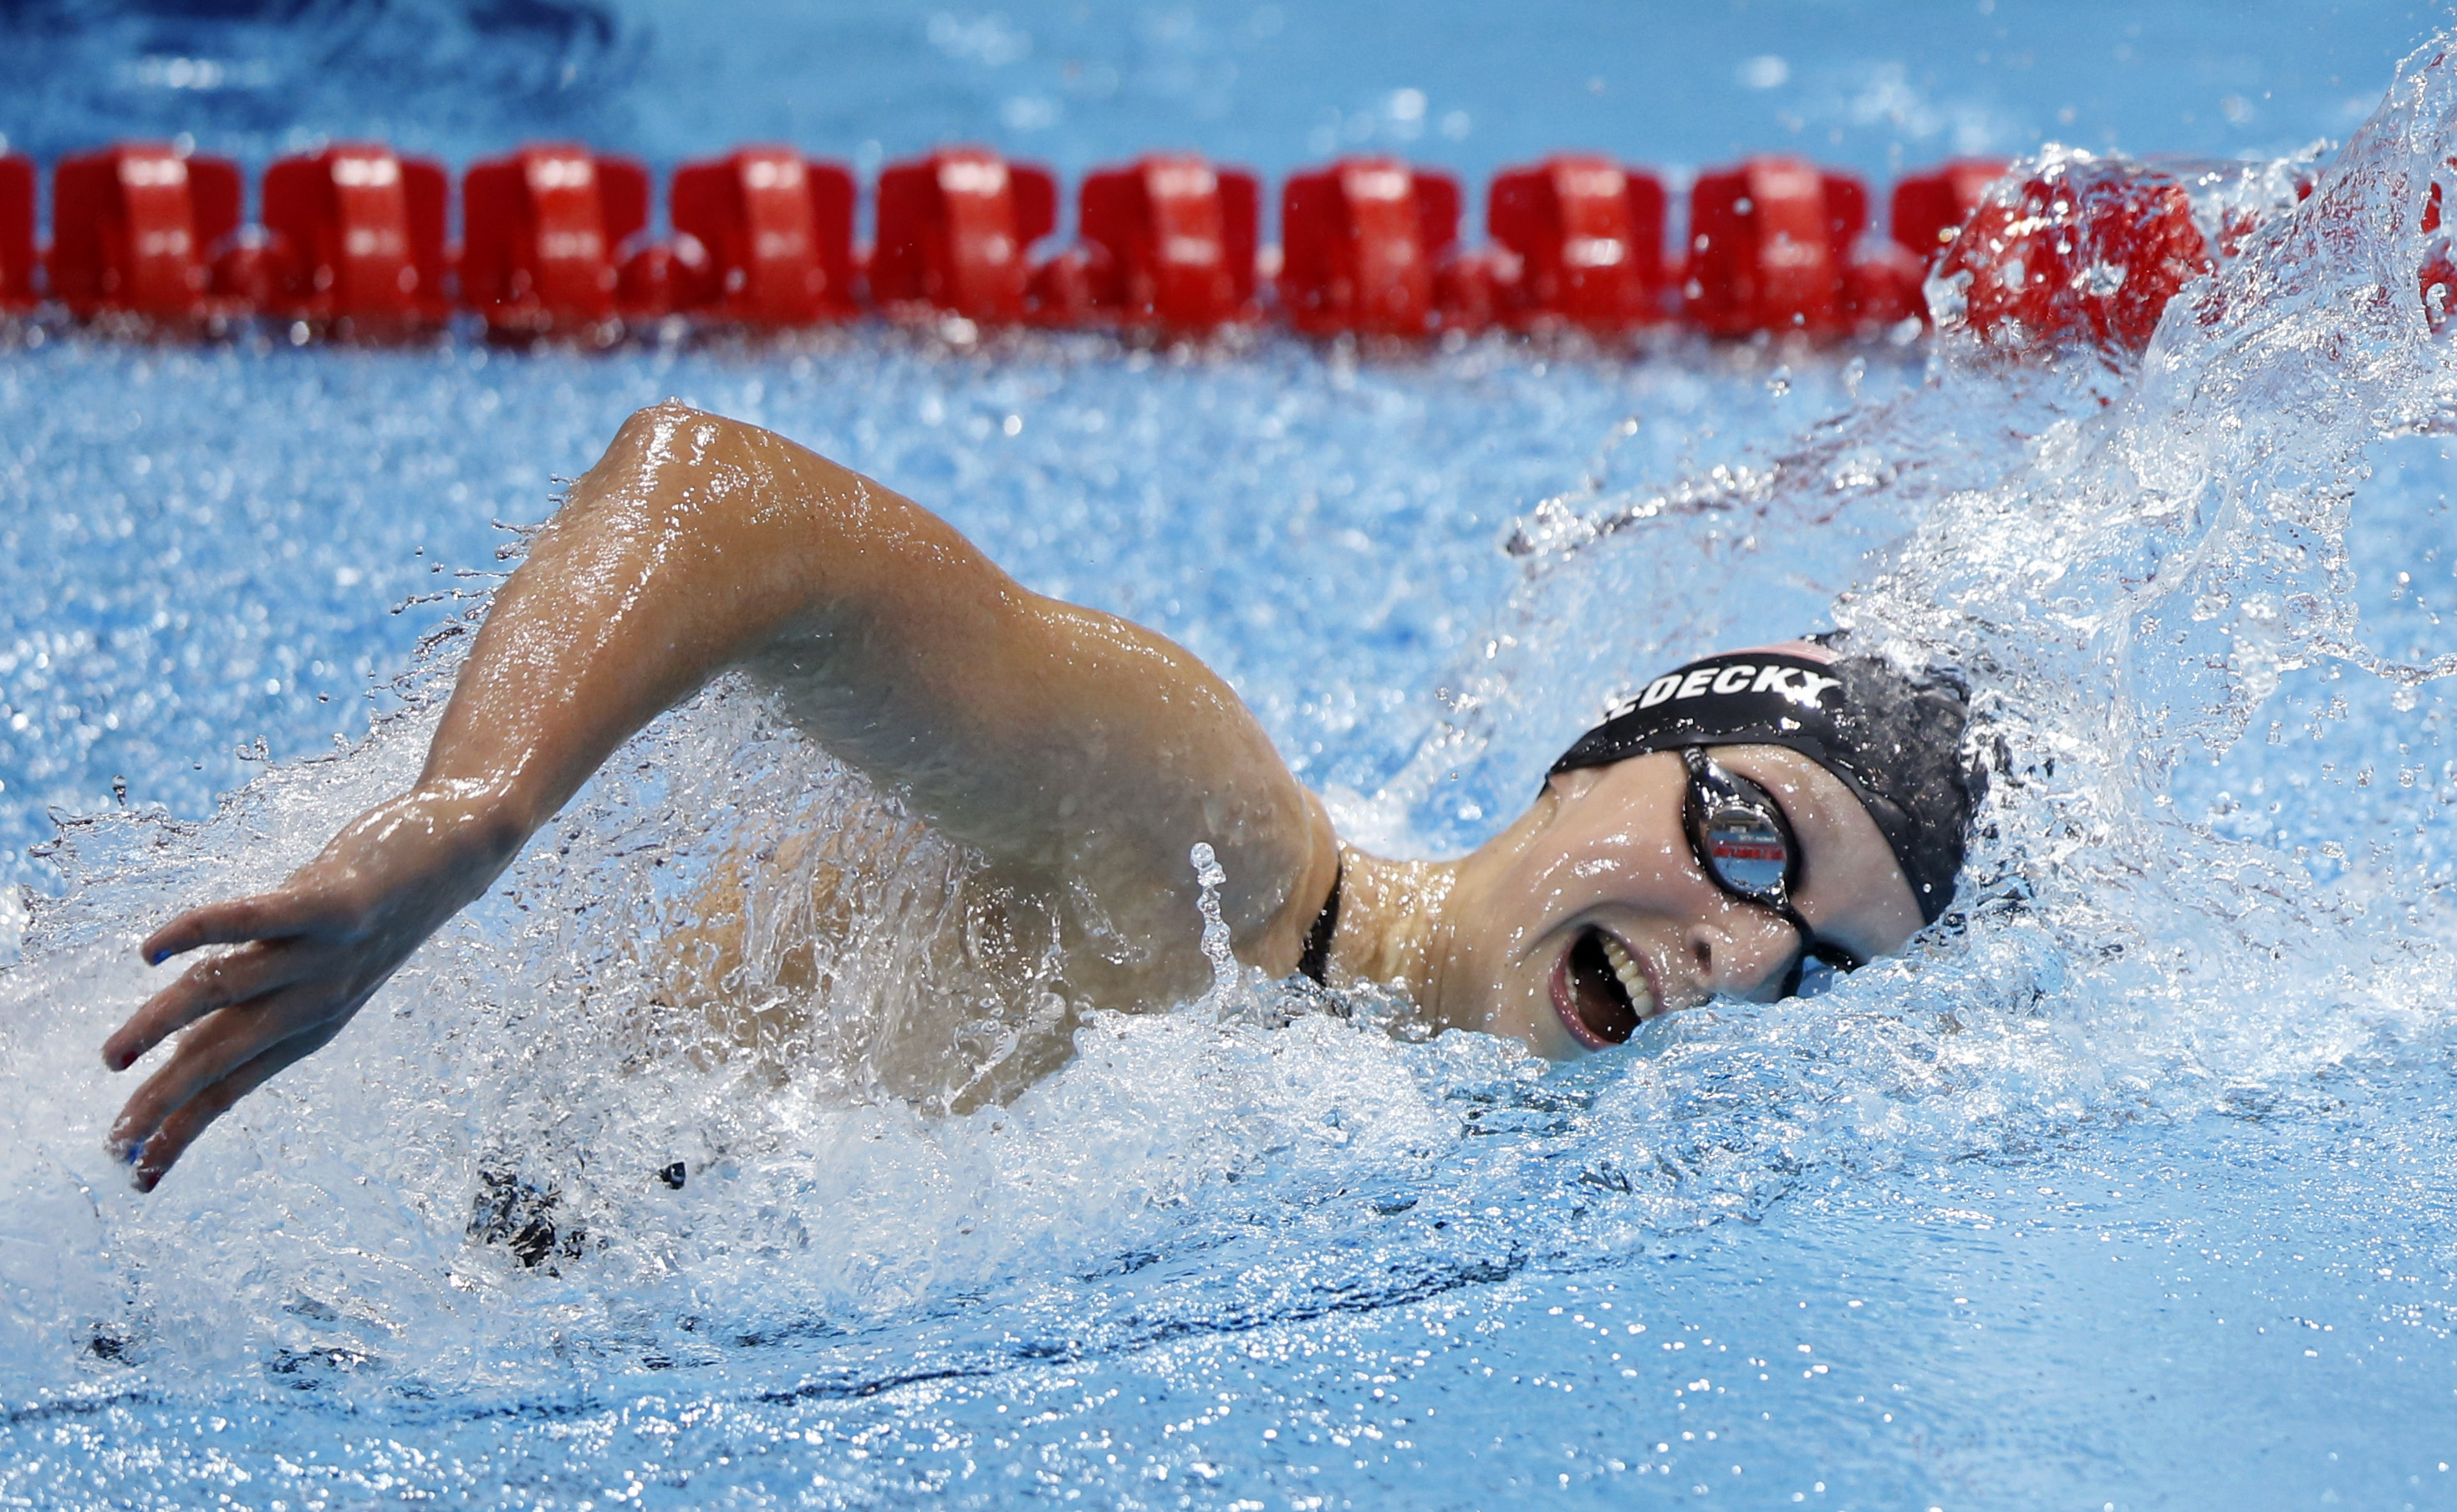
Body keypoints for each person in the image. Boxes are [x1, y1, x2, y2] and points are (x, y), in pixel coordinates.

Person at [98, 402, 1975, 1192]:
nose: (1736, 954)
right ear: (1596, 760)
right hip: (181, 1090)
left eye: (1814, 964)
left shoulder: (1356, 1108)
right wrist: (476, 810)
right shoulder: (1211, 842)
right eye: (1754, 838)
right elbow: (727, 493)